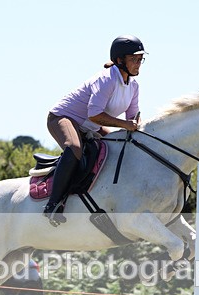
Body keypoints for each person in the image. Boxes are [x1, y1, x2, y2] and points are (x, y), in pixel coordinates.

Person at [43, 35, 146, 226]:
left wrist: (137, 124)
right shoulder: (106, 80)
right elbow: (94, 115)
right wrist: (125, 125)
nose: (138, 64)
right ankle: (53, 204)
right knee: (75, 147)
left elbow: (132, 118)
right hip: (63, 118)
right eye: (134, 59)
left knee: (117, 145)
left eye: (141, 59)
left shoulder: (133, 86)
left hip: (90, 125)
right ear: (119, 60)